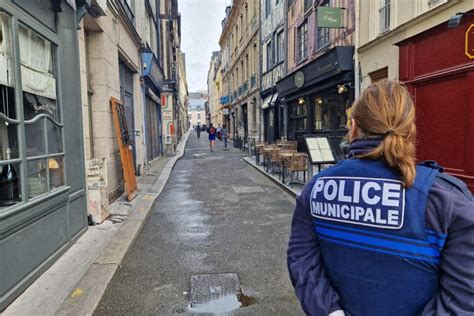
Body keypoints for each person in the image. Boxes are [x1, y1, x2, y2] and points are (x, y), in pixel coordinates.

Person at [287, 80, 474, 316]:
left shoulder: (315, 188)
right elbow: (464, 299)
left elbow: (302, 261)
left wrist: (331, 312)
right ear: (410, 129)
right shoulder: (446, 200)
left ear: (353, 127)